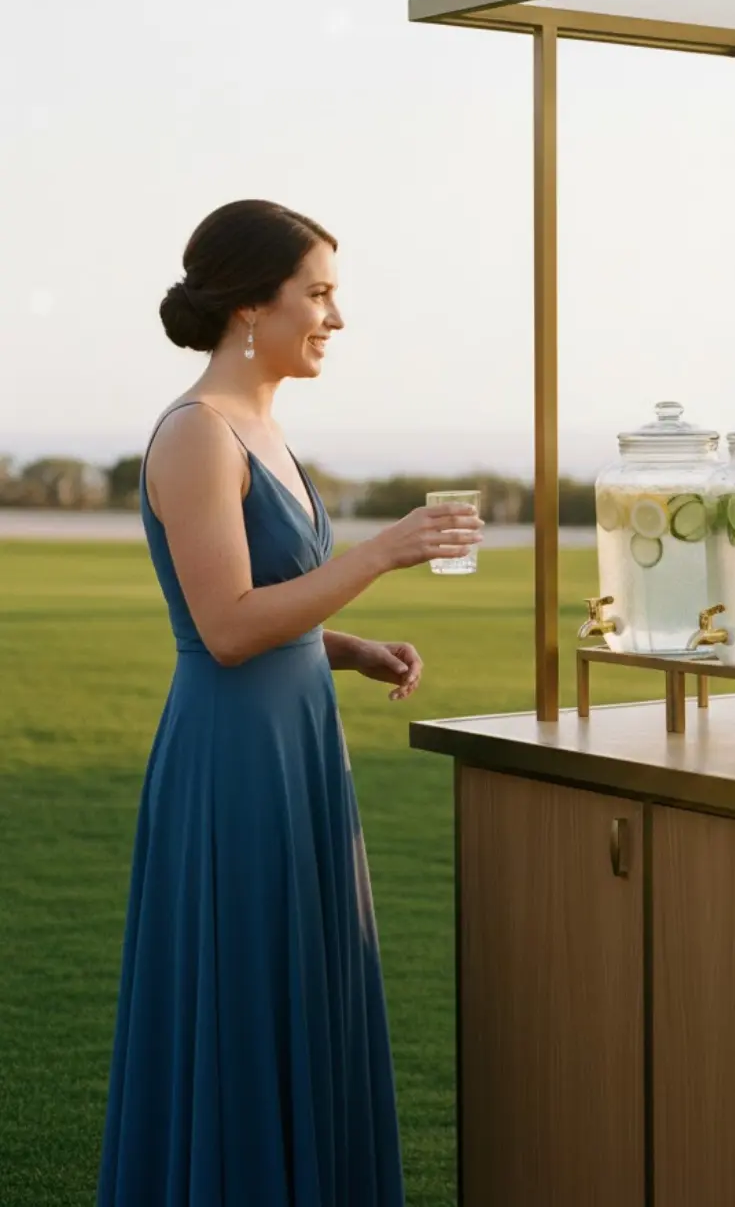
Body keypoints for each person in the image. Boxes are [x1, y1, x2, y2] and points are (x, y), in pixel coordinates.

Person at [97, 200, 480, 1207]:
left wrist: (347, 648)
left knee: (308, 987)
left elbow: (272, 605)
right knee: (245, 998)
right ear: (248, 306)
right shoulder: (196, 435)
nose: (334, 317)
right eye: (317, 292)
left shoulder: (264, 428)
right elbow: (222, 624)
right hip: (232, 763)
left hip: (298, 744)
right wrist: (382, 550)